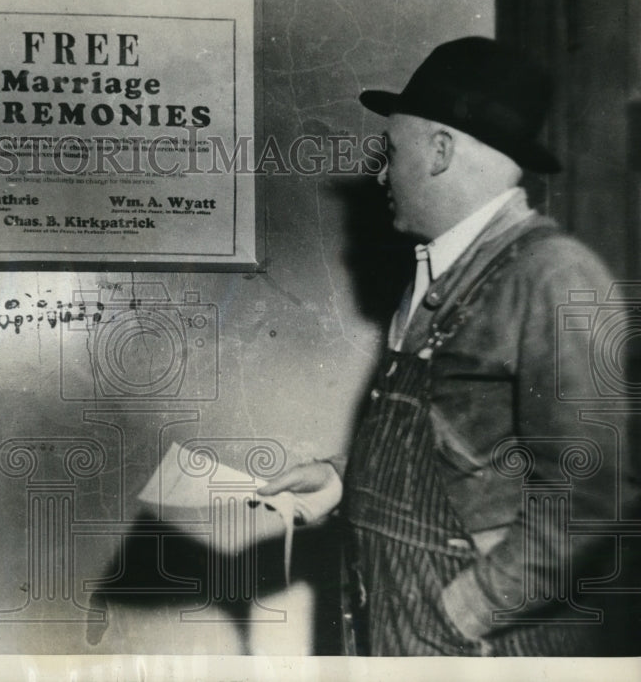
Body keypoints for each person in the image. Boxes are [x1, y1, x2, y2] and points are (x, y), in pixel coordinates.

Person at [260, 37, 634, 655]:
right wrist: (341, 483)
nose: (381, 172)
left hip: (477, 649)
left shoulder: (554, 274)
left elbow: (590, 497)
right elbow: (466, 453)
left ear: (440, 150)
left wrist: (466, 612)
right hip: (402, 632)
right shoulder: (445, 269)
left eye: (391, 152)